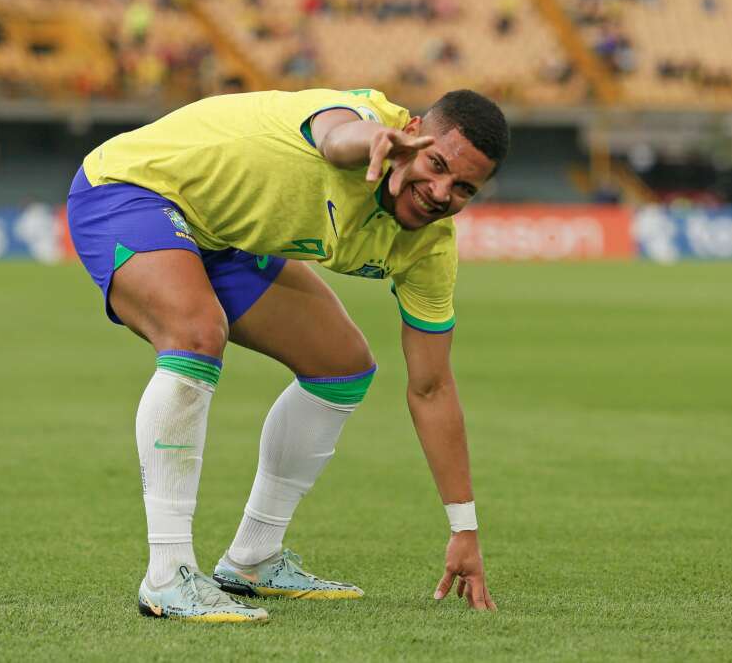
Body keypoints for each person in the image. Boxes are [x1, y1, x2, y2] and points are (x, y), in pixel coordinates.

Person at [67, 87, 508, 622]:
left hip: (221, 236)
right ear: (411, 130)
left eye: (463, 188)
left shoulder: (430, 248)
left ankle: (253, 557)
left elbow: (432, 387)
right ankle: (168, 575)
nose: (440, 192)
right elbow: (335, 138)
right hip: (130, 188)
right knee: (196, 332)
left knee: (342, 365)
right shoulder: (361, 118)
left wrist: (464, 528)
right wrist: (375, 138)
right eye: (435, 164)